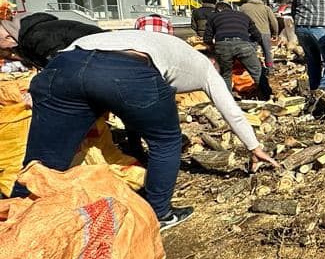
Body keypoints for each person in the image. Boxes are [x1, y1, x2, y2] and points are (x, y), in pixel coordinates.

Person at [12, 30, 279, 230]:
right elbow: (230, 109)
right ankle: (160, 213)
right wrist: (254, 147)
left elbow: (130, 111)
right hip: (127, 70)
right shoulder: (204, 67)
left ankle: (16, 215)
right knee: (166, 140)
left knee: (43, 159)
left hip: (64, 65)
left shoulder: (156, 41)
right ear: (212, 62)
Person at [204, 2, 271, 100]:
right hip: (243, 44)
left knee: (226, 75)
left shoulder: (214, 17)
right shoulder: (243, 16)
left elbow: (207, 39)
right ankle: (268, 96)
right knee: (257, 72)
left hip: (223, 46)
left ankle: (228, 101)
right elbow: (257, 35)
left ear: (218, 10)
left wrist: (213, 48)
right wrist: (251, 45)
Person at [0, 13, 104, 70]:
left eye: (2, 47)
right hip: (98, 52)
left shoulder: (35, 37)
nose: (10, 51)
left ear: (8, 37)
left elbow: (62, 67)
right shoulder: (30, 31)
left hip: (104, 51)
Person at [239, 0, 280, 78]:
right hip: (265, 33)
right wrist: (275, 34)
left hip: (250, 33)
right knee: (267, 52)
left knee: (251, 53)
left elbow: (239, 20)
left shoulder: (243, 8)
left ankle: (252, 71)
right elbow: (274, 22)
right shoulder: (266, 8)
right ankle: (270, 69)